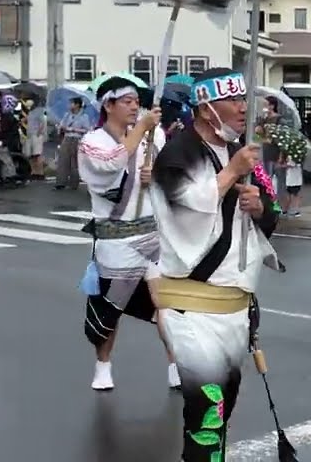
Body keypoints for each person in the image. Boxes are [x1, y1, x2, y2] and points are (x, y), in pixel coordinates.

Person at [149, 67, 283, 462]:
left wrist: (260, 207)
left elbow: (268, 207)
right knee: (206, 410)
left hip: (234, 305)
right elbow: (183, 211)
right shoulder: (178, 154)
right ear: (207, 108)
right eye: (234, 100)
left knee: (225, 404)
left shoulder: (239, 150)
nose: (244, 108)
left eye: (244, 99)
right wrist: (231, 173)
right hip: (193, 309)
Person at [78, 78, 177, 392]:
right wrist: (142, 129)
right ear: (108, 105)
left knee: (166, 303)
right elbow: (110, 165)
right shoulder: (92, 141)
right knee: (111, 308)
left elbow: (170, 172)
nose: (135, 107)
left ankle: (176, 364)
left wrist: (155, 175)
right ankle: (103, 365)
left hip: (152, 232)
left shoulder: (153, 134)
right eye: (127, 101)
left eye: (137, 101)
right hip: (115, 238)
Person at [57, 97, 92, 190]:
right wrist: (61, 128)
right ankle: (61, 182)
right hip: (67, 138)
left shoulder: (84, 116)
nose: (69, 105)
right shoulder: (67, 115)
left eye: (71, 103)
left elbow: (87, 130)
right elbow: (62, 125)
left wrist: (74, 129)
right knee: (63, 160)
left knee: (75, 162)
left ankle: (74, 183)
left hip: (77, 139)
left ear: (77, 105)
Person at [23, 95, 47, 179]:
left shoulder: (39, 110)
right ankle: (34, 172)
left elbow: (43, 122)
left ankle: (40, 173)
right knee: (31, 155)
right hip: (29, 135)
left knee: (37, 154)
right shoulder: (31, 111)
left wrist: (39, 133)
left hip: (36, 135)